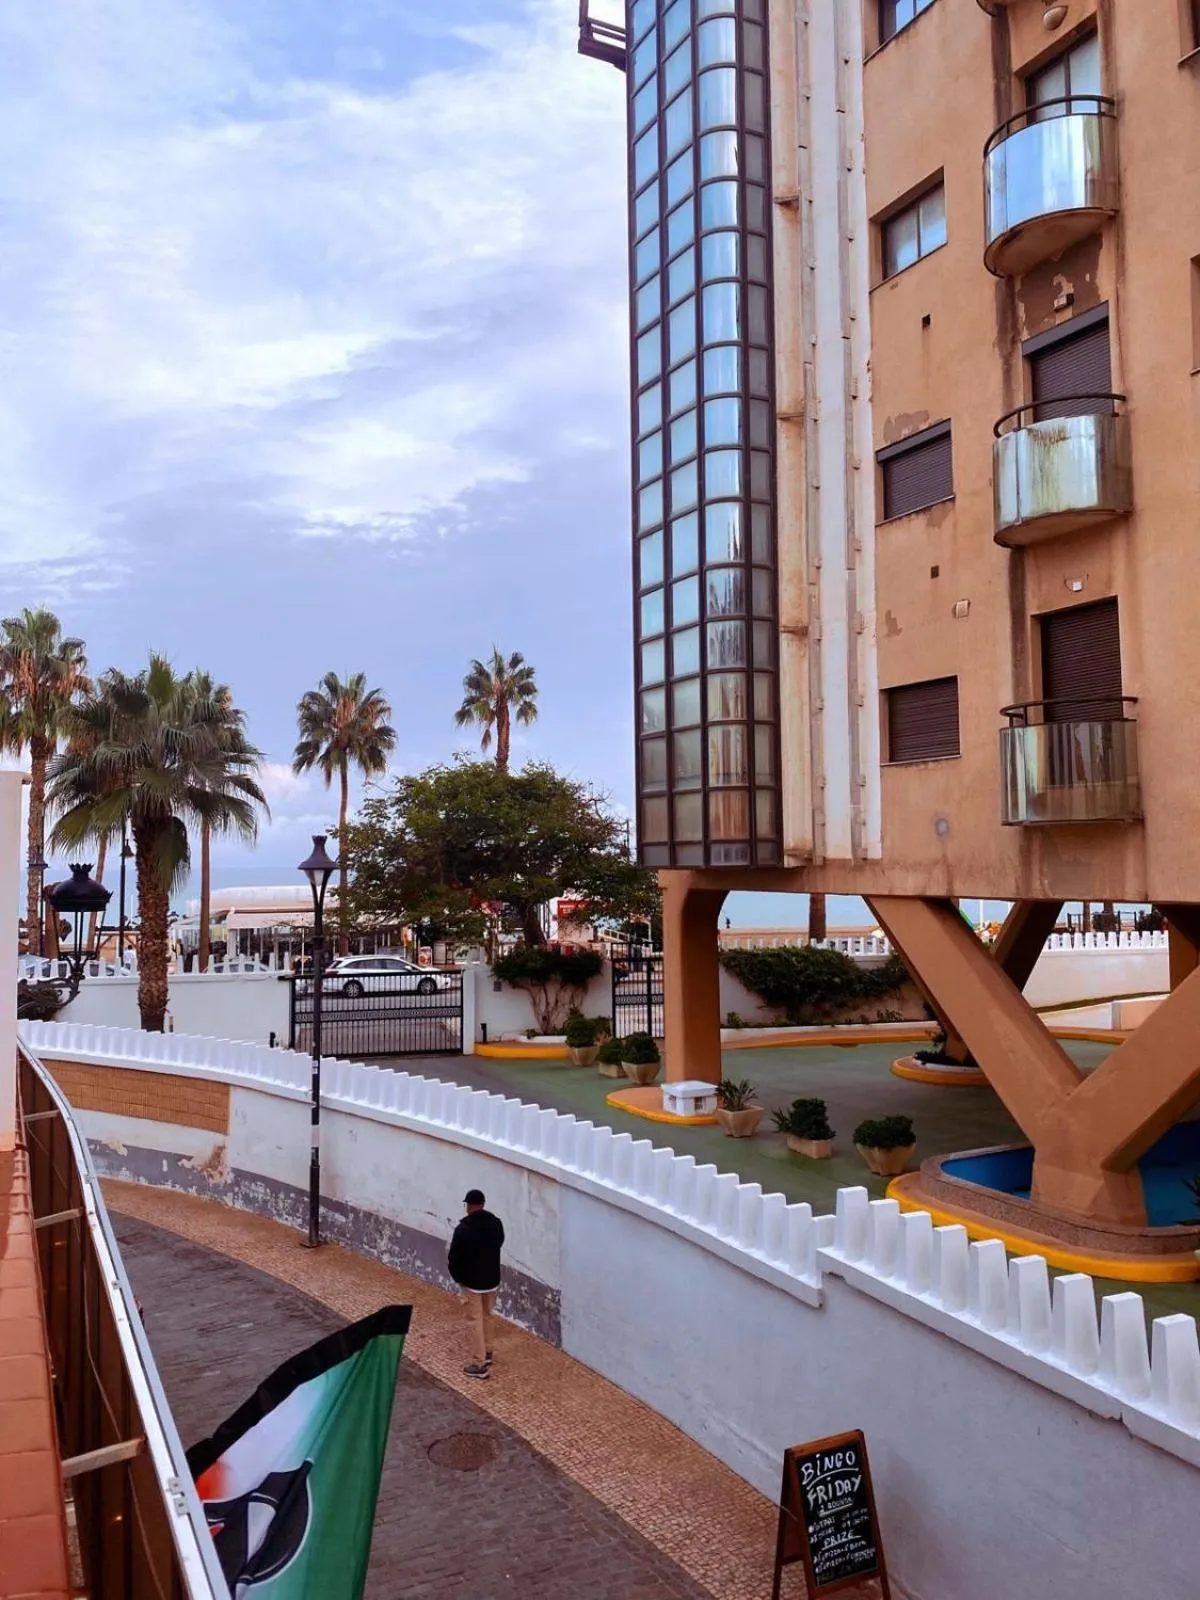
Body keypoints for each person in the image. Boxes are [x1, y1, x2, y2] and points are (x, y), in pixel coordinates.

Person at [447, 1188, 505, 1380]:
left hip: (472, 1283)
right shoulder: (496, 1224)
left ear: (469, 1206)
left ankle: (479, 1363)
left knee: (474, 1320)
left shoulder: (463, 1229)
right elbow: (499, 1243)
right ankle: (488, 1352)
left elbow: (454, 1257)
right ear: (483, 1204)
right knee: (488, 1316)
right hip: (492, 1281)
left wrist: (458, 1277)